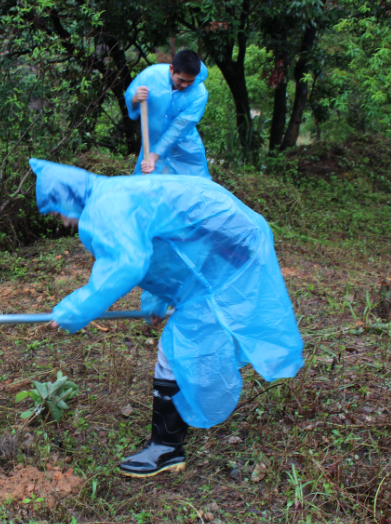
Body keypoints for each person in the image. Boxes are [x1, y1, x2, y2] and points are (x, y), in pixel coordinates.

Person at [30, 158, 303, 478]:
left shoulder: (104, 208)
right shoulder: (113, 194)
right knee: (191, 340)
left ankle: (166, 448)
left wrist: (74, 310)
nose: (64, 222)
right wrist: (155, 302)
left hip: (227, 253)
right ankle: (179, 422)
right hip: (227, 244)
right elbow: (166, 242)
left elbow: (127, 264)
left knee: (180, 347)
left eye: (58, 213)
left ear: (67, 196)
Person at [125, 50, 211, 178]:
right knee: (151, 184)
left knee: (190, 185)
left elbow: (179, 127)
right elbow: (131, 103)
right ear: (171, 69)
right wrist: (135, 99)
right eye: (181, 80)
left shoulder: (200, 93)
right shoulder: (151, 75)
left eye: (190, 81)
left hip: (184, 145)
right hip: (152, 141)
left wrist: (155, 155)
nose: (185, 85)